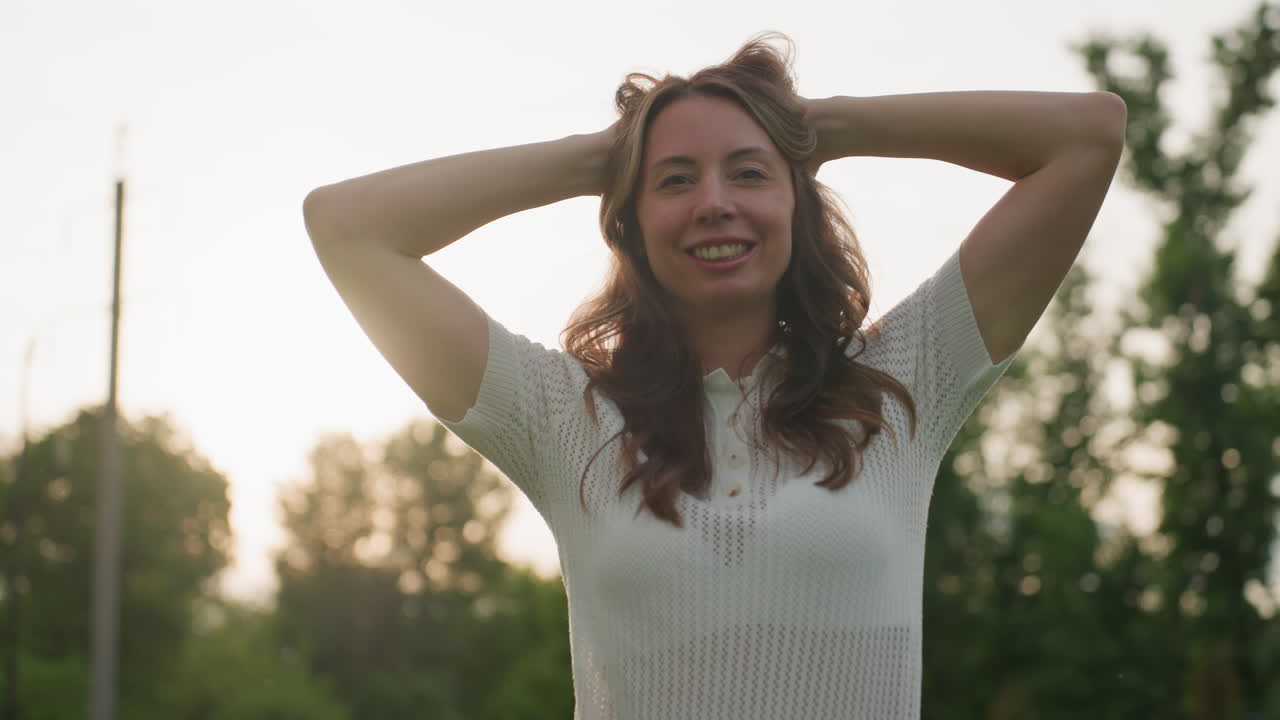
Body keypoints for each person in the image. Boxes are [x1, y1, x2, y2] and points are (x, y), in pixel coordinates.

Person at [302, 31, 1125, 720]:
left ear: (798, 205)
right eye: (675, 181)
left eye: (749, 171)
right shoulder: (562, 418)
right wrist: (603, 157)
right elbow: (347, 225)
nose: (714, 202)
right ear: (630, 222)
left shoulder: (904, 380)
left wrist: (818, 124)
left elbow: (1089, 135)